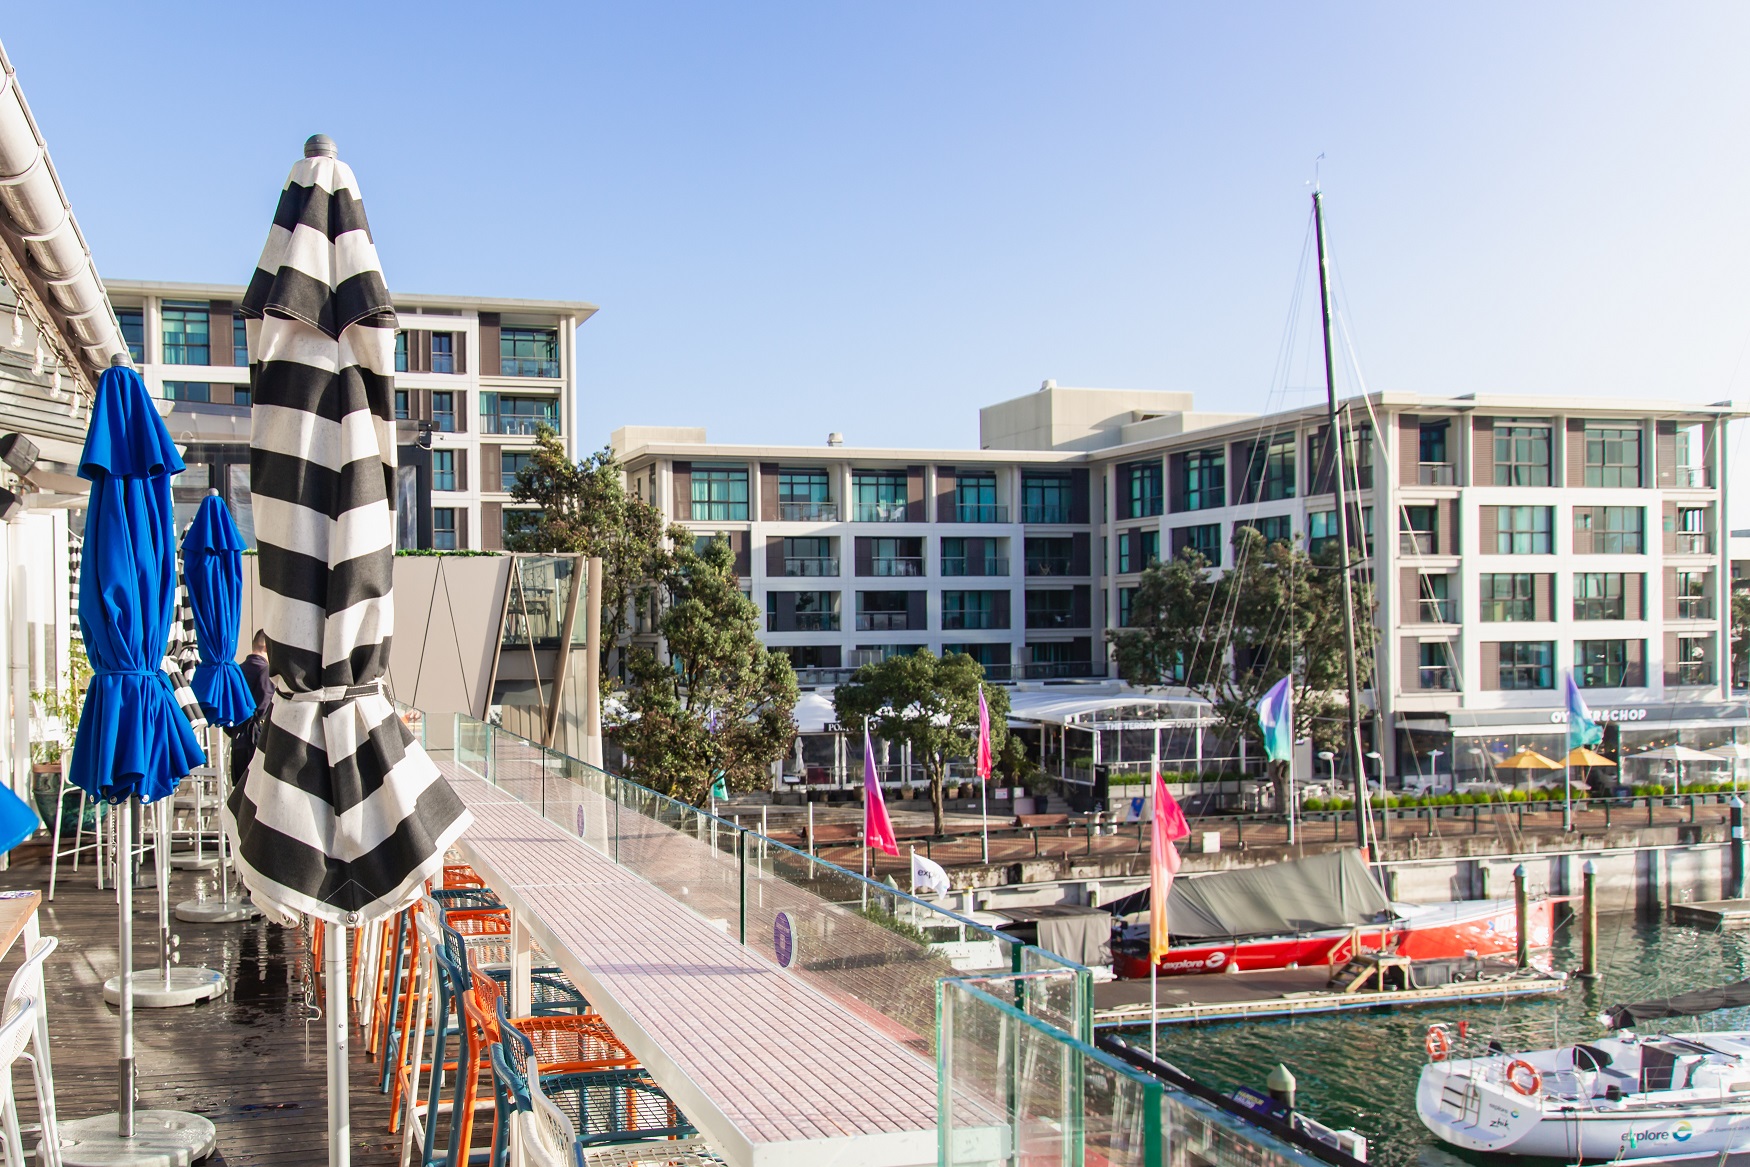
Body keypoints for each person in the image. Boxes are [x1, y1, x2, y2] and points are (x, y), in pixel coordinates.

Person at [227, 630, 273, 786]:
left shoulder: (236, 671)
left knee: (240, 791)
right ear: (267, 647)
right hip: (256, 742)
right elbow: (263, 708)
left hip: (237, 740)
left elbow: (229, 709)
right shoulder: (265, 671)